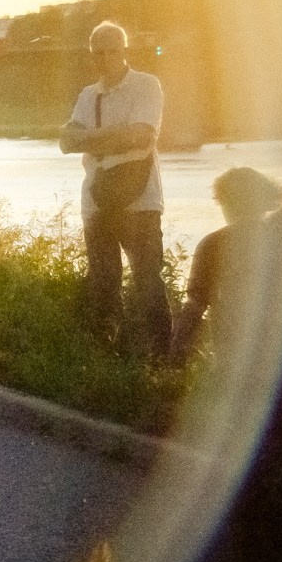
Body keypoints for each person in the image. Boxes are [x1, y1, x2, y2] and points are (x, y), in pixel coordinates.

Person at [61, 20, 171, 357]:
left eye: (112, 50)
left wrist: (91, 140)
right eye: (99, 52)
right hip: (97, 201)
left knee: (148, 280)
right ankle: (108, 356)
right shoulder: (88, 94)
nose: (106, 58)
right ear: (91, 56)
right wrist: (117, 137)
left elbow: (142, 135)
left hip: (140, 201)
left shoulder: (147, 86)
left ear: (124, 51)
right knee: (103, 283)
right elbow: (66, 141)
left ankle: (161, 359)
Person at [171, 168, 282, 376]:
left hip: (235, 364)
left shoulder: (213, 244)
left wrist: (176, 356)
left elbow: (195, 306)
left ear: (224, 202)